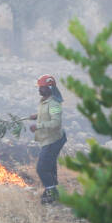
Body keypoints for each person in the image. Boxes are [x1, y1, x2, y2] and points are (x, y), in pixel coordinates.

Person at [27, 74, 66, 204]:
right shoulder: (45, 100)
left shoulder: (54, 103)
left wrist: (38, 126)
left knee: (42, 168)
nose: (39, 90)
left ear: (50, 88)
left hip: (53, 140)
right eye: (39, 87)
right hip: (49, 139)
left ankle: (51, 193)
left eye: (42, 87)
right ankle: (53, 191)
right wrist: (36, 116)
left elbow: (56, 123)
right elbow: (46, 113)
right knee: (50, 166)